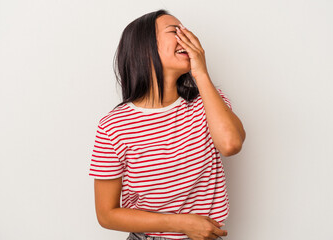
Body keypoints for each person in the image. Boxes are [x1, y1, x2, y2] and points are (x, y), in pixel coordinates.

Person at [88, 9, 246, 240]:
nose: (186, 36)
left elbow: (231, 144)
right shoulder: (114, 126)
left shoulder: (209, 101)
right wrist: (182, 223)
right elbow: (106, 214)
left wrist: (200, 72)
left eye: (185, 30)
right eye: (175, 31)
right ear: (145, 48)